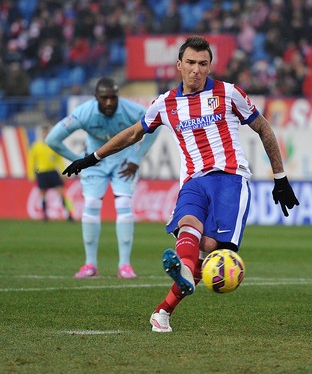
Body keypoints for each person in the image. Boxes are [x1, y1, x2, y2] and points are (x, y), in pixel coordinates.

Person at [62, 36, 299, 332]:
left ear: (210, 67)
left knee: (210, 248)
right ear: (179, 65)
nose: (196, 70)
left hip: (231, 180)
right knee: (187, 223)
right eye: (190, 63)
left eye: (202, 64)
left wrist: (280, 177)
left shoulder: (229, 94)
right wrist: (92, 157)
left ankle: (165, 307)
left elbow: (263, 128)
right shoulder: (166, 103)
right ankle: (183, 275)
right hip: (193, 181)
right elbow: (134, 133)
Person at [46, 78, 160, 279]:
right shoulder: (84, 112)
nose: (109, 102)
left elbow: (155, 125)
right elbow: (52, 139)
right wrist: (79, 160)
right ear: (96, 98)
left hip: (124, 161)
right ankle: (90, 265)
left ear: (118, 96)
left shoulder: (131, 110)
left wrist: (136, 157)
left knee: (124, 204)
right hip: (95, 160)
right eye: (104, 98)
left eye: (113, 97)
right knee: (90, 206)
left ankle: (124, 266)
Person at [27, 124, 73, 221]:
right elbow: (31, 160)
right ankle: (45, 216)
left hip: (53, 172)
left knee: (61, 193)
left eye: (47, 133)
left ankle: (69, 215)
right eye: (44, 133)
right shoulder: (36, 146)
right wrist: (31, 173)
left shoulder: (52, 145)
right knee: (43, 194)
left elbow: (59, 159)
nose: (45, 135)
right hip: (42, 173)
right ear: (41, 134)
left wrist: (63, 172)